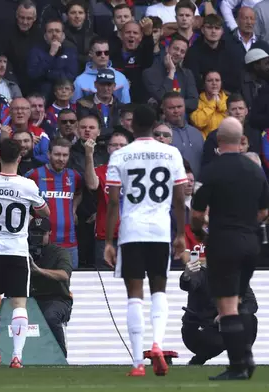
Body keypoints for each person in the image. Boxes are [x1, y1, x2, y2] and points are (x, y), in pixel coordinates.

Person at [104, 105, 187, 377]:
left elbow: (114, 201)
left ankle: (138, 362)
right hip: (160, 230)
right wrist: (179, 234)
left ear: (131, 126)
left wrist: (108, 241)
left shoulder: (121, 155)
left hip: (131, 231)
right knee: (159, 291)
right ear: (156, 123)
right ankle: (158, 344)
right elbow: (179, 198)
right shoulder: (171, 153)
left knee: (134, 296)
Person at [191, 117, 269, 380]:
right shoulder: (255, 170)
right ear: (241, 139)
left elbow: (197, 213)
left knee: (227, 307)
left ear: (218, 141)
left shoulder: (212, 170)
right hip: (251, 244)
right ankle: (245, 357)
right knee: (238, 300)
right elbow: (264, 210)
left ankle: (239, 366)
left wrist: (201, 231)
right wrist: (248, 225)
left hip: (224, 242)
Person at [0, 141, 49, 368]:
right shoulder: (28, 185)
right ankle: (17, 356)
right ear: (20, 158)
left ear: (0, 157)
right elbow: (44, 211)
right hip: (17, 251)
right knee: (19, 303)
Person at [180, 256, 258, 366]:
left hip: (222, 327)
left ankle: (242, 362)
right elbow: (188, 285)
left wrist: (228, 313)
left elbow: (252, 304)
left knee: (250, 320)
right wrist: (186, 276)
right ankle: (198, 360)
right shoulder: (201, 273)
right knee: (220, 340)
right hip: (197, 328)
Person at [25, 137, 83, 268]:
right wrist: (29, 217)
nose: (61, 159)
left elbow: (79, 193)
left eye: (65, 155)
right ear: (48, 154)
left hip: (70, 242)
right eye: (57, 154)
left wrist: (73, 208)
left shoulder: (75, 176)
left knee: (70, 284)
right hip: (42, 244)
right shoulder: (33, 175)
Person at [83, 131, 130, 269]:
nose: (118, 148)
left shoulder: (138, 172)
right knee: (105, 280)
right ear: (108, 148)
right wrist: (89, 155)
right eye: (114, 145)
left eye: (122, 145)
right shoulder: (101, 170)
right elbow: (92, 184)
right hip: (105, 236)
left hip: (130, 235)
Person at [28, 217, 73, 358]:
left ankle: (60, 356)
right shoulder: (22, 250)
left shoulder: (59, 252)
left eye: (42, 233)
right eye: (34, 233)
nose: (38, 237)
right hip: (29, 300)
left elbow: (64, 275)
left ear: (50, 233)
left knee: (50, 316)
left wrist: (38, 270)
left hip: (57, 298)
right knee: (12, 316)